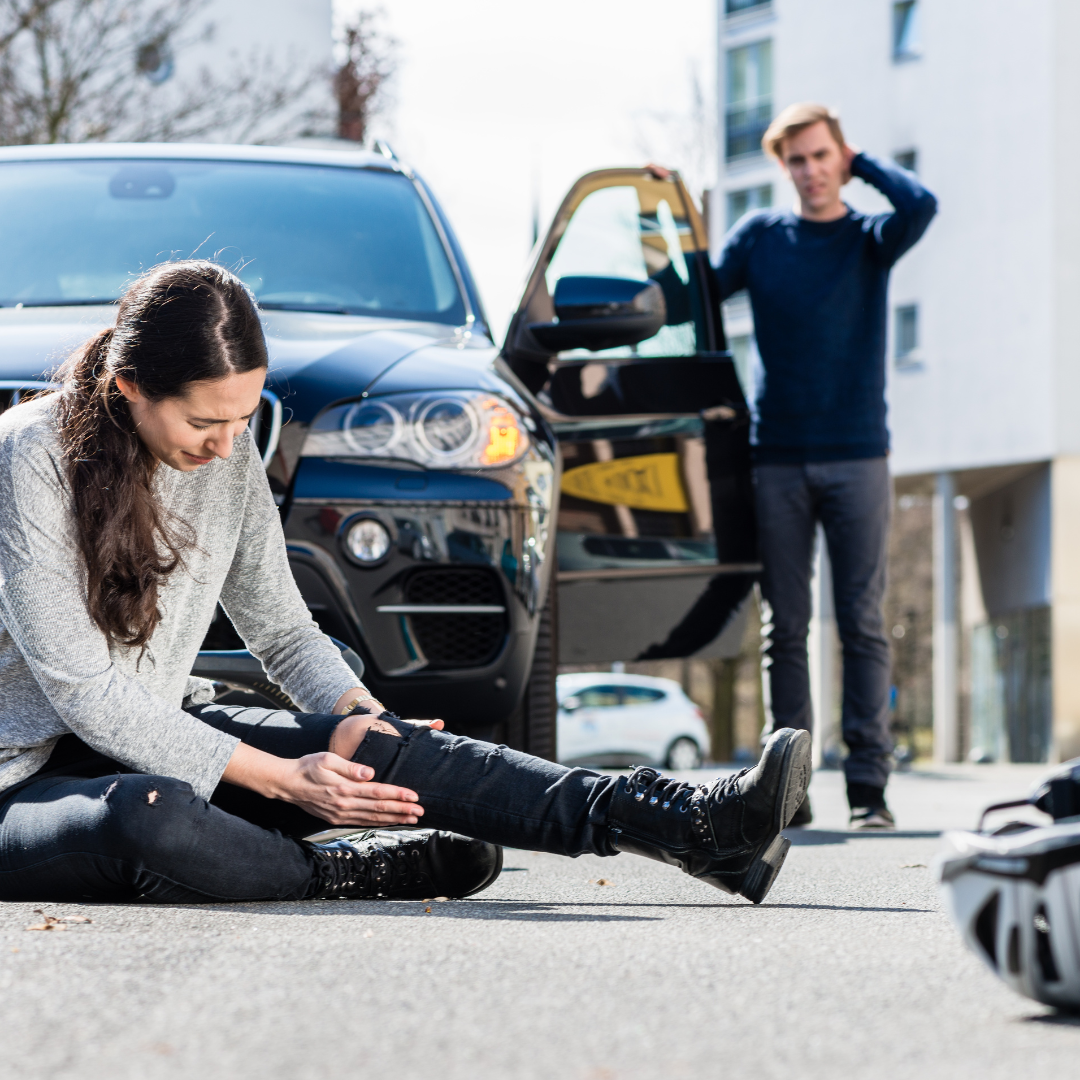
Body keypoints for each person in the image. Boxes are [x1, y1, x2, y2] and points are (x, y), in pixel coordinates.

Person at [0, 261, 811, 906]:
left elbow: (282, 632)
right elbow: (86, 692)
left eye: (242, 420)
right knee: (150, 817)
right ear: (130, 386)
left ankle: (692, 826)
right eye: (205, 423)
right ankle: (357, 871)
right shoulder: (29, 454)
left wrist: (376, 726)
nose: (224, 445)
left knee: (370, 744)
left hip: (155, 730)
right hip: (23, 780)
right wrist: (284, 777)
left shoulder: (227, 452)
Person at [713, 103, 938, 828]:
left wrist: (863, 159)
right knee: (786, 629)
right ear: (784, 169)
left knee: (864, 624)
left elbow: (922, 203)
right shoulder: (761, 238)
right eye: (797, 161)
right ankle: (791, 788)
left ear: (840, 156)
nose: (810, 171)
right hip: (776, 456)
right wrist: (669, 205)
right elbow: (699, 289)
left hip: (858, 456)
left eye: (821, 156)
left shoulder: (871, 239)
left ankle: (869, 789)